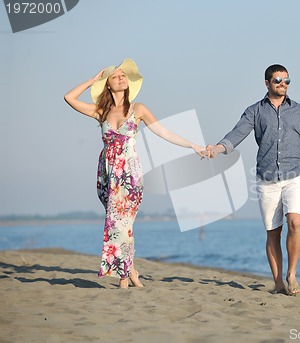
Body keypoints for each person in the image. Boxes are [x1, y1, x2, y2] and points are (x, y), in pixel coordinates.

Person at [64, 58, 207, 289]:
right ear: (108, 85)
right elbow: (69, 98)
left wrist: (193, 145)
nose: (121, 78)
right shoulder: (101, 111)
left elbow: (163, 131)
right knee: (120, 224)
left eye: (123, 76)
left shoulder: (138, 109)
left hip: (129, 174)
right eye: (116, 76)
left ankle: (124, 278)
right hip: (107, 175)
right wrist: (92, 80)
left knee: (122, 222)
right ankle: (132, 271)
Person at [207, 64, 300, 295]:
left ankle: (291, 274)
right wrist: (218, 148)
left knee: (295, 222)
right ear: (267, 83)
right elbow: (238, 133)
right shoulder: (255, 111)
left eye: (286, 81)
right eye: (278, 80)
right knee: (274, 232)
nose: (283, 84)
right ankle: (277, 282)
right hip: (267, 178)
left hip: (295, 175)